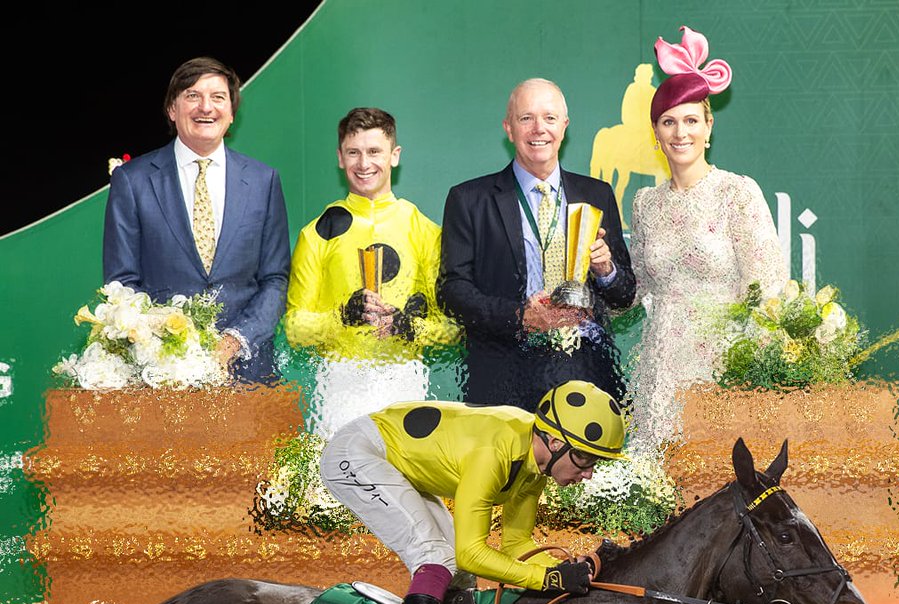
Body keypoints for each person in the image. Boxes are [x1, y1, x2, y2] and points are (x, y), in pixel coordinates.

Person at [320, 380, 626, 604]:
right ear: (554, 442)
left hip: (396, 460)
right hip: (358, 453)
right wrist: (547, 579)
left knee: (460, 576)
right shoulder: (495, 452)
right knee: (437, 557)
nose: (589, 473)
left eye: (595, 462)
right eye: (584, 458)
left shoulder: (534, 467)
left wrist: (558, 569)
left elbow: (516, 544)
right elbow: (472, 553)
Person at [625, 26, 788, 453]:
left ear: (708, 125)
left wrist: (754, 376)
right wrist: (604, 269)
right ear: (656, 133)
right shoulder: (645, 204)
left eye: (691, 120)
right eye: (669, 122)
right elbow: (634, 290)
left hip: (722, 369)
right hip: (659, 369)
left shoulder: (737, 193)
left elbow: (767, 292)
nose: (681, 133)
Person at [438, 79, 636, 413]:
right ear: (509, 128)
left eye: (549, 118)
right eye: (526, 118)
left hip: (584, 376)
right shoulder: (469, 199)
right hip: (502, 378)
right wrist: (521, 317)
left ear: (565, 126)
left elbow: (625, 294)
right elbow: (451, 293)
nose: (538, 128)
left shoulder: (597, 194)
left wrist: (606, 270)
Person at [103, 57, 290, 383]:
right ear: (172, 109)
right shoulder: (133, 181)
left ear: (231, 114)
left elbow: (275, 279)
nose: (206, 107)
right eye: (192, 95)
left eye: (218, 97)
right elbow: (122, 283)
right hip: (161, 376)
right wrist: (170, 344)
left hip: (247, 375)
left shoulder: (263, 181)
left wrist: (234, 341)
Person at [285, 107, 457, 437]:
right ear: (340, 158)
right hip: (339, 388)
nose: (364, 164)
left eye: (374, 151)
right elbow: (294, 330)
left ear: (395, 155)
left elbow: (452, 329)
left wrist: (409, 328)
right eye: (354, 152)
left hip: (405, 382)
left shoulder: (424, 231)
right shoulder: (316, 234)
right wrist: (340, 317)